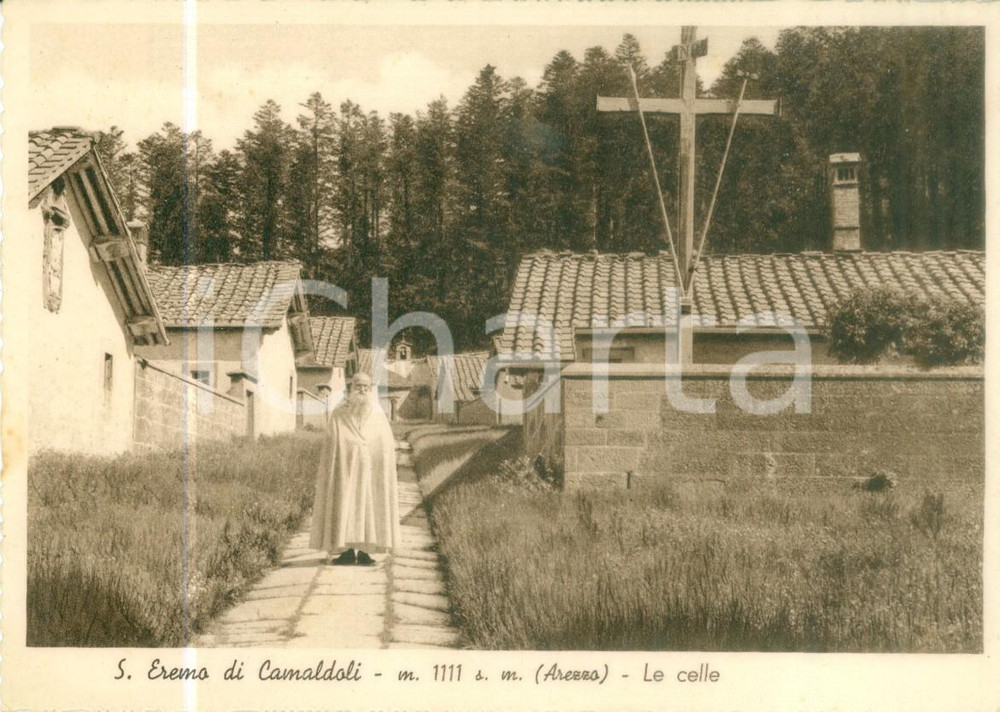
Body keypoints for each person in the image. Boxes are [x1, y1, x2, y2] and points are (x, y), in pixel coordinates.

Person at [310, 372, 401, 565]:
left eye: (366, 387)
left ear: (371, 389)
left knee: (370, 508)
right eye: (358, 386)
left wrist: (375, 458)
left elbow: (385, 443)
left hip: (370, 472)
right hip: (345, 469)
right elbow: (332, 440)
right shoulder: (339, 412)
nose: (362, 390)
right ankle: (347, 551)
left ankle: (367, 552)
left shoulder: (377, 413)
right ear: (350, 388)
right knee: (346, 508)